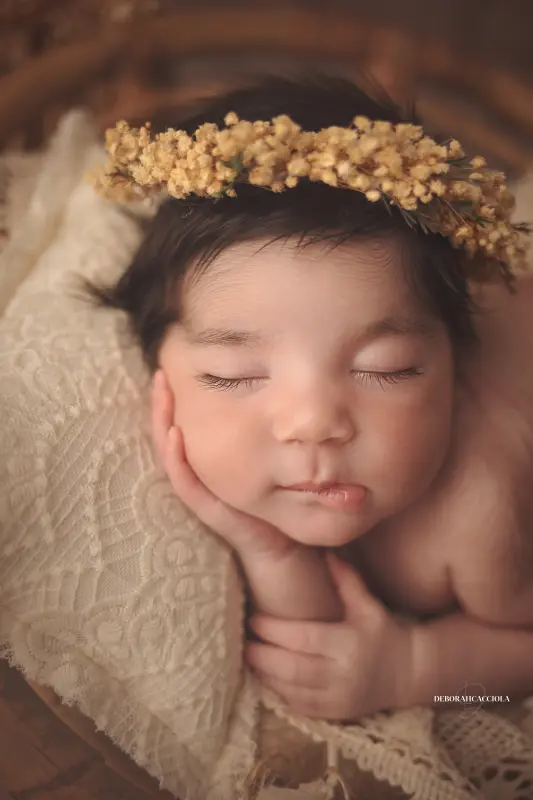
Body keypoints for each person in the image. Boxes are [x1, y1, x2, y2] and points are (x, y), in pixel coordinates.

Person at [87, 74, 533, 722]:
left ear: (451, 367)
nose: (314, 424)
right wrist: (266, 546)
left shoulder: (473, 520)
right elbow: (313, 632)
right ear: (160, 374)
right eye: (234, 375)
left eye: (388, 368)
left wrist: (417, 666)